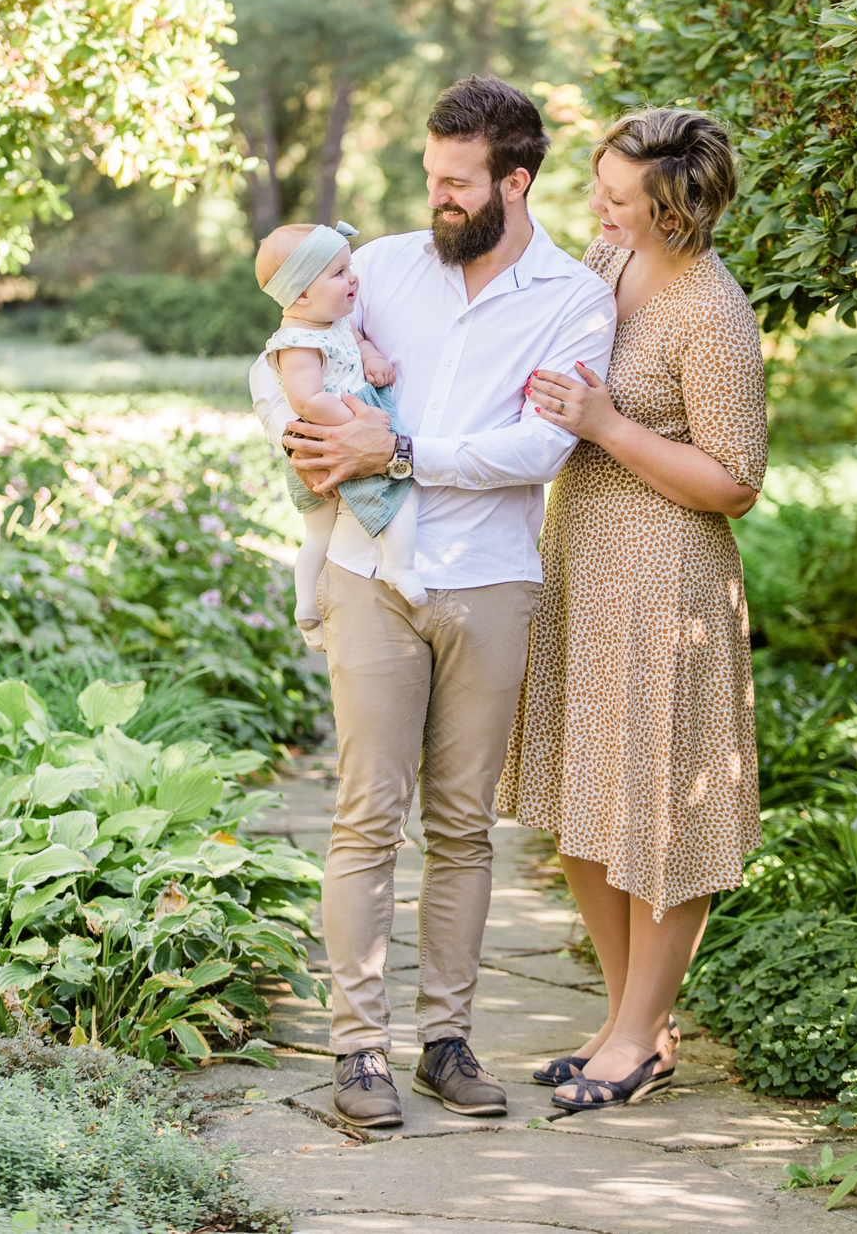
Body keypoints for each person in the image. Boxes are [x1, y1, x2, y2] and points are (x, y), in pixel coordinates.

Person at [248, 75, 617, 1129]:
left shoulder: (571, 297)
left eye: (456, 183)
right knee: (367, 816)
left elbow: (541, 447)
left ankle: (445, 1041)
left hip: (494, 581)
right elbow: (290, 361)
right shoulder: (381, 270)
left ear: (515, 178)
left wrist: (401, 447)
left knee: (462, 827)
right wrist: (307, 434)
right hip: (371, 575)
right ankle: (356, 1050)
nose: (437, 199)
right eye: (428, 177)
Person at [497, 106, 767, 1112]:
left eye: (615, 198)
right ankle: (628, 1024)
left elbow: (736, 480)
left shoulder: (711, 309)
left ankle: (638, 1036)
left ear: (670, 211)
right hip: (583, 562)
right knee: (583, 807)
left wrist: (605, 424)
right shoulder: (609, 270)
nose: (596, 209)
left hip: (667, 580)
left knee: (660, 812)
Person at [254, 219, 425, 649]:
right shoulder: (295, 343)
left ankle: (315, 608)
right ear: (302, 294)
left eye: (350, 267)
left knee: (327, 530)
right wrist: (358, 424)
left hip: (349, 424)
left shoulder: (333, 320)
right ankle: (390, 567)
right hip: (329, 440)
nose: (355, 278)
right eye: (340, 273)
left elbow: (358, 340)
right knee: (398, 491)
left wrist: (371, 358)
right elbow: (307, 400)